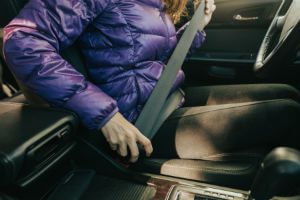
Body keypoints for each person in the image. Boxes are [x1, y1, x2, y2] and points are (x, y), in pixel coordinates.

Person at [3, 0, 300, 164]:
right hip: (136, 121)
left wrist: (197, 28)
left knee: (287, 93)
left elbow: (153, 59)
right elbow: (21, 39)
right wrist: (106, 115)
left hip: (165, 97)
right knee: (287, 113)